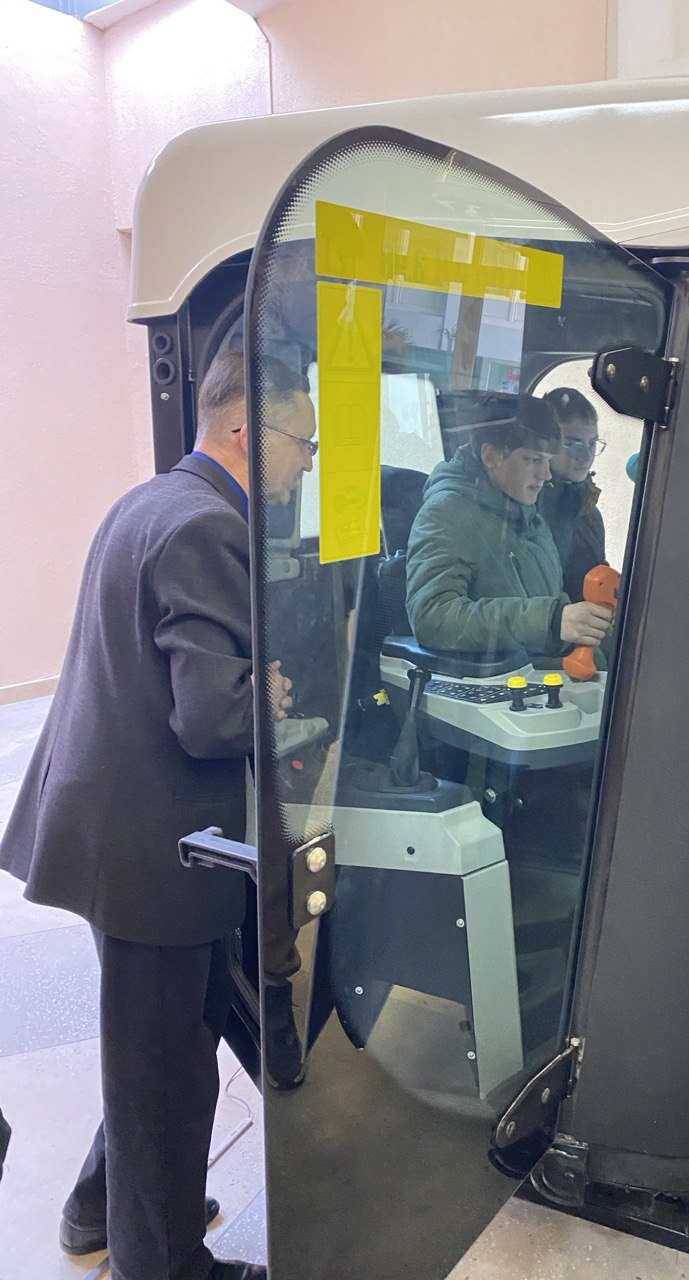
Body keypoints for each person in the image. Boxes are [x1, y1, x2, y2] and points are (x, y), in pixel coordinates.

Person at [0, 351, 315, 1280]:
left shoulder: (150, 501)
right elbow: (211, 718)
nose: (308, 461)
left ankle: (98, 1209)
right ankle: (164, 1265)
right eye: (303, 442)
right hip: (155, 848)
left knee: (163, 1045)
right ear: (248, 433)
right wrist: (271, 693)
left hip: (117, 826)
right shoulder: (209, 526)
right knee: (164, 1071)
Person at [405, 392, 612, 659]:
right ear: (491, 456)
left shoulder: (530, 516)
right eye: (533, 460)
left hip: (541, 672)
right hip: (494, 678)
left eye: (547, 460)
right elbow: (432, 617)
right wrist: (551, 621)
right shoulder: (447, 512)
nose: (546, 474)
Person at [538, 387, 608, 602]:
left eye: (592, 443)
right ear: (545, 442)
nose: (586, 456)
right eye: (572, 443)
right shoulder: (527, 509)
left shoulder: (590, 513)